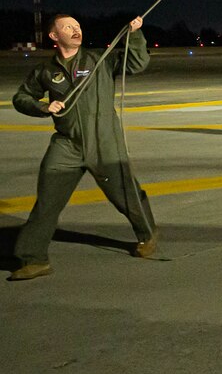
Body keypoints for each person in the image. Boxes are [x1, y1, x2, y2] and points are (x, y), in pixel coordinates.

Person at [9, 14, 157, 281]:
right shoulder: (46, 70)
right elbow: (21, 97)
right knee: (47, 202)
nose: (76, 30)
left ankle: (147, 234)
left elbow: (137, 63)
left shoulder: (99, 58)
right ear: (54, 36)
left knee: (126, 195)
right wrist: (42, 106)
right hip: (67, 144)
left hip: (104, 142)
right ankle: (34, 259)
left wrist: (135, 35)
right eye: (68, 27)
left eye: (77, 26)